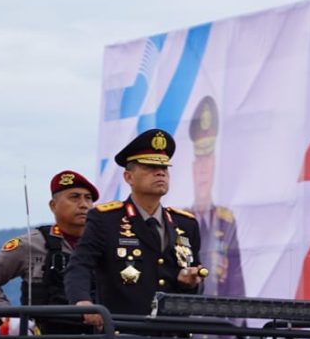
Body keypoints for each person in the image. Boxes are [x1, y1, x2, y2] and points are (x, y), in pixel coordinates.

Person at [65, 129, 205, 326]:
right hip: (125, 334)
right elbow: (80, 265)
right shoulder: (106, 219)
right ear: (128, 177)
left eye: (164, 168)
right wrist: (83, 302)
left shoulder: (185, 224)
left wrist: (190, 283)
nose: (160, 173)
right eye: (150, 166)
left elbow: (195, 284)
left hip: (175, 336)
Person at [0, 170, 99, 333]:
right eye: (74, 197)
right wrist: (8, 318)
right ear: (53, 205)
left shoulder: (104, 244)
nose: (84, 205)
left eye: (88, 198)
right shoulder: (32, 244)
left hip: (99, 338)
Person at [188, 95, 245, 297]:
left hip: (219, 320)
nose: (203, 171)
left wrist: (237, 326)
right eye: (200, 162)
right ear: (193, 169)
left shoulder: (225, 221)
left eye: (208, 162)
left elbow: (236, 280)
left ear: (214, 168)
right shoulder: (181, 220)